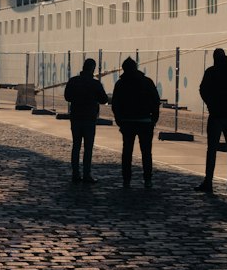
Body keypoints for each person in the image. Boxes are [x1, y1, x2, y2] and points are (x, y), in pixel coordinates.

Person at [196, 47, 227, 196]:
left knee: (211, 150)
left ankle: (209, 182)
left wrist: (210, 103)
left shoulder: (211, 72)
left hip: (216, 115)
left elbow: (202, 89)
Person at [111, 57, 160, 188]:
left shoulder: (120, 84)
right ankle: (148, 179)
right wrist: (154, 119)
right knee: (146, 152)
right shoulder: (147, 82)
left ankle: (126, 179)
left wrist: (119, 120)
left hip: (127, 122)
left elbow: (115, 103)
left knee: (127, 152)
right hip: (145, 121)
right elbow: (156, 101)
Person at [63, 57, 108, 184]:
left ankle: (75, 174)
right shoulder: (95, 83)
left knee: (76, 146)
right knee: (88, 147)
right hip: (89, 118)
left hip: (76, 117)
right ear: (93, 68)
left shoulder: (73, 81)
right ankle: (87, 174)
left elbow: (67, 97)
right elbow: (104, 100)